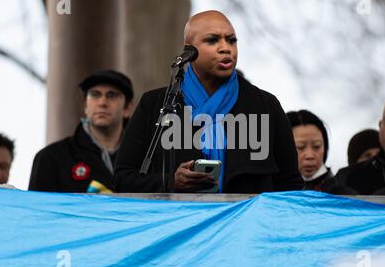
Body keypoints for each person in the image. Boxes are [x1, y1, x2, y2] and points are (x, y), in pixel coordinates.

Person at [113, 10, 303, 193]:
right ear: (189, 50)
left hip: (246, 224)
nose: (225, 48)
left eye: (231, 40)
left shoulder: (265, 105)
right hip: (180, 223)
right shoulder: (156, 104)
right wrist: (171, 182)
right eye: (212, 40)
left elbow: (290, 184)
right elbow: (122, 179)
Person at [29, 70, 134, 192]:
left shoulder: (148, 159)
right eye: (95, 94)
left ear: (128, 108)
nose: (102, 102)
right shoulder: (51, 158)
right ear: (85, 106)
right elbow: (38, 210)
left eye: (112, 95)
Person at [287, 110, 356, 195]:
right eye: (300, 147)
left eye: (317, 146)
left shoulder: (344, 196)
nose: (310, 155)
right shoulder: (268, 194)